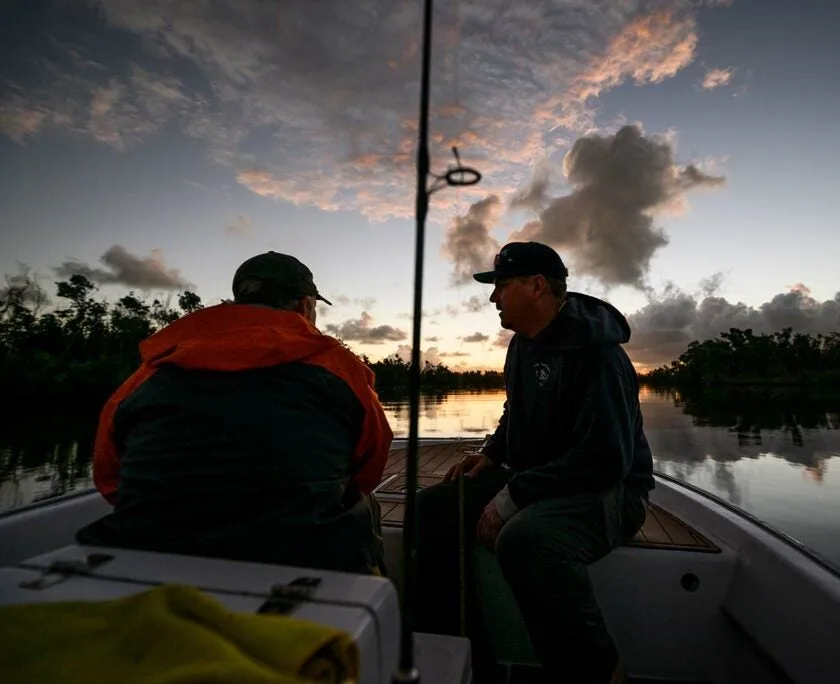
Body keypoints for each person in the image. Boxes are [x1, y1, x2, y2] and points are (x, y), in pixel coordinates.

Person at [415, 241, 655, 683]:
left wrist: (515, 495)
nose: (493, 299)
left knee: (527, 540)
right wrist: (493, 453)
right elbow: (517, 411)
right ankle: (463, 659)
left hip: (611, 494)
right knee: (433, 510)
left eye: (502, 286)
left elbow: (606, 460)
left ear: (537, 287)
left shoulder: (599, 355)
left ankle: (600, 672)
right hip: (541, 481)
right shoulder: (522, 345)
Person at [77, 251, 394, 575]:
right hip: (301, 562)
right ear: (305, 306)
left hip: (145, 560)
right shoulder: (343, 371)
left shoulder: (148, 375)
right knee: (364, 506)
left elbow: (109, 478)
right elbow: (368, 471)